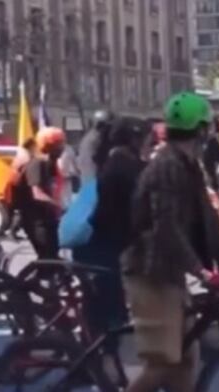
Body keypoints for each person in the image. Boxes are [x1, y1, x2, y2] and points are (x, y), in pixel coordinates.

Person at [120, 93, 219, 392]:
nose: (210, 134)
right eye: (207, 127)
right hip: (149, 271)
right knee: (163, 362)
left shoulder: (187, 163)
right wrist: (203, 273)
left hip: (167, 270)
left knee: (186, 359)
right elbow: (165, 227)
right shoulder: (167, 166)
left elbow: (209, 220)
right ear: (200, 129)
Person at [74, 117, 147, 366]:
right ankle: (94, 364)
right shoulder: (124, 164)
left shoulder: (112, 158)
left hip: (96, 242)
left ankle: (98, 361)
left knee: (101, 307)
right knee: (107, 311)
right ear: (135, 139)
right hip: (99, 245)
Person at [16, 127, 66, 259]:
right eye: (59, 144)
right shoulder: (37, 164)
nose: (63, 147)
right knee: (47, 258)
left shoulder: (50, 163)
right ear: (49, 145)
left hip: (46, 218)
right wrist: (59, 206)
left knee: (53, 256)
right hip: (35, 220)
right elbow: (37, 193)